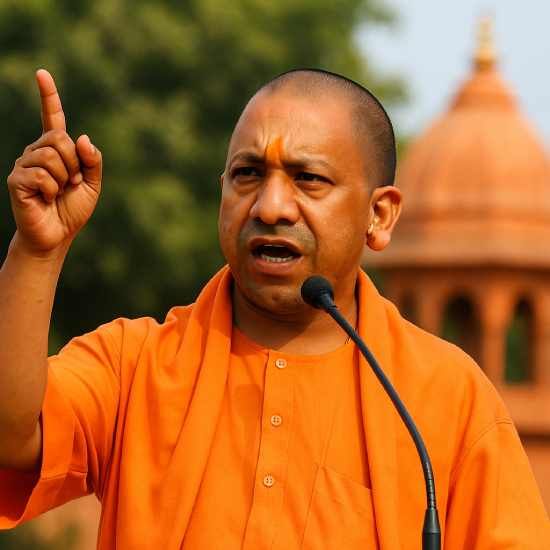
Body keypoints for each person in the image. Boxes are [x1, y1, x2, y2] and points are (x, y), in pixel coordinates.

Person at [0, 67, 548, 549]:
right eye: (248, 174)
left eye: (308, 179)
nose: (271, 206)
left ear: (379, 216)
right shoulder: (137, 365)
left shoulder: (444, 399)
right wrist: (36, 252)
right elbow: (11, 439)